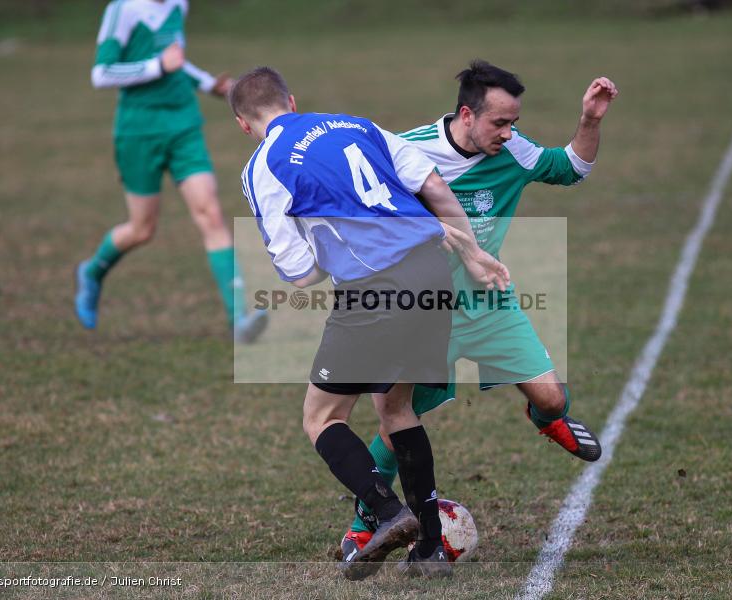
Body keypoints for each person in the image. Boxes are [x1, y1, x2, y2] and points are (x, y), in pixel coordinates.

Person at [229, 66, 510, 579]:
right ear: (292, 101)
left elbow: (298, 274)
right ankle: (428, 550)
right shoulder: (356, 125)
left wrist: (325, 249)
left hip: (373, 289)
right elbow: (433, 186)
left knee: (322, 417)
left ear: (245, 126)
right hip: (431, 267)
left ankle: (386, 512)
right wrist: (471, 254)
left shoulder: (262, 166)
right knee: (396, 407)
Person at [340, 61, 618, 561]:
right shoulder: (408, 151)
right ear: (467, 114)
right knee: (396, 422)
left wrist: (590, 121)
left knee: (554, 399)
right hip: (424, 311)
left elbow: (572, 168)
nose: (509, 133)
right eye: (500, 123)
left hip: (490, 301)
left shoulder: (513, 148)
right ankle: (367, 522)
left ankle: (546, 418)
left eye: (513, 122)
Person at [74, 0, 268, 341]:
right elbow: (101, 73)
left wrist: (209, 84)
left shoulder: (179, 4)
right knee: (142, 229)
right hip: (139, 130)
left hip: (183, 124)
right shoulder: (123, 10)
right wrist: (156, 66)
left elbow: (176, 60)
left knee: (211, 214)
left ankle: (239, 319)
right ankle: (92, 272)